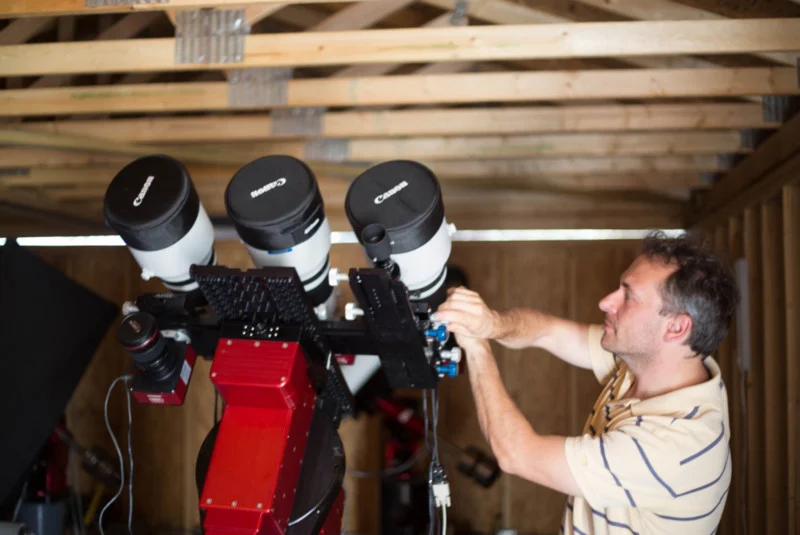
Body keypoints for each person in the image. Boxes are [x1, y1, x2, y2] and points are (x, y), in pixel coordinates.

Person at [434, 231, 738, 534]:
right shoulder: (654, 364)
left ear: (676, 328)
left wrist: (475, 345)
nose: (606, 301)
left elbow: (517, 455)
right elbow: (548, 330)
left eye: (629, 296)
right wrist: (490, 324)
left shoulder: (674, 447)